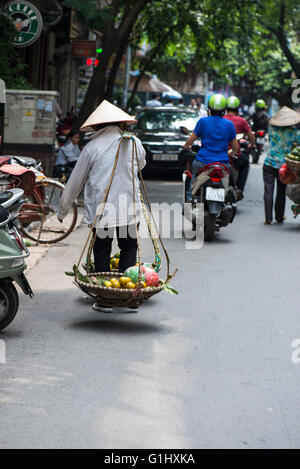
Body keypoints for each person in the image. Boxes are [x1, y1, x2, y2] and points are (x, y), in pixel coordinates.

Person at [57, 100, 146, 312]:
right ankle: (128, 294)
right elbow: (141, 164)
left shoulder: (92, 147)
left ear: (98, 125)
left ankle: (105, 297)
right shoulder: (133, 142)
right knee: (129, 246)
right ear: (120, 123)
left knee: (103, 248)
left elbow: (76, 180)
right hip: (127, 206)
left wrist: (63, 209)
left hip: (103, 208)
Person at [183, 93, 239, 198]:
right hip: (222, 163)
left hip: (203, 162)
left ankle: (190, 200)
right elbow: (235, 147)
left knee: (193, 174)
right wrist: (232, 152)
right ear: (224, 109)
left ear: (209, 108)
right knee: (230, 181)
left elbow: (190, 140)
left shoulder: (203, 121)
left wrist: (186, 146)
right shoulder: (229, 124)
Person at [263, 106, 300, 225]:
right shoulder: (294, 132)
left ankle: (268, 219)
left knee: (268, 190)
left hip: (269, 162)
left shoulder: (271, 129)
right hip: (284, 166)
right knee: (281, 191)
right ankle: (279, 217)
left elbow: (271, 141)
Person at [224, 96, 256, 200]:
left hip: (213, 155)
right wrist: (252, 144)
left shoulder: (219, 120)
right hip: (232, 155)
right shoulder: (241, 121)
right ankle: (239, 189)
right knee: (245, 164)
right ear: (237, 109)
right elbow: (251, 136)